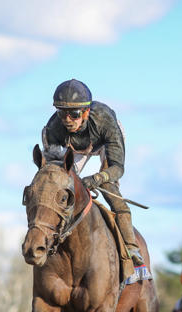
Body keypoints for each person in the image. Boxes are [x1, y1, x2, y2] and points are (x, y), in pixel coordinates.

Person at [42, 79, 144, 267]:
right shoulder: (53, 129)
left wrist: (98, 178)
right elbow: (53, 173)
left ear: (86, 112)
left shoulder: (104, 121)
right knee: (64, 187)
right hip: (75, 149)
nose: (67, 120)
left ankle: (132, 247)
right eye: (62, 113)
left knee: (107, 186)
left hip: (105, 142)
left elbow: (118, 168)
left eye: (74, 114)